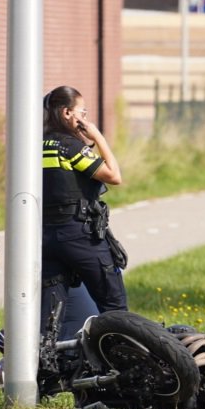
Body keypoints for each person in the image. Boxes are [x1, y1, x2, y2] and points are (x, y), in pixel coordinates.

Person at [40, 86, 126, 333]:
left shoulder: (35, 146)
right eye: (83, 112)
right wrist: (99, 138)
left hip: (46, 237)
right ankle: (118, 354)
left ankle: (46, 357)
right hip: (79, 235)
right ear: (67, 113)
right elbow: (114, 175)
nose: (86, 118)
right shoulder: (70, 147)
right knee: (115, 306)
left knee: (50, 317)